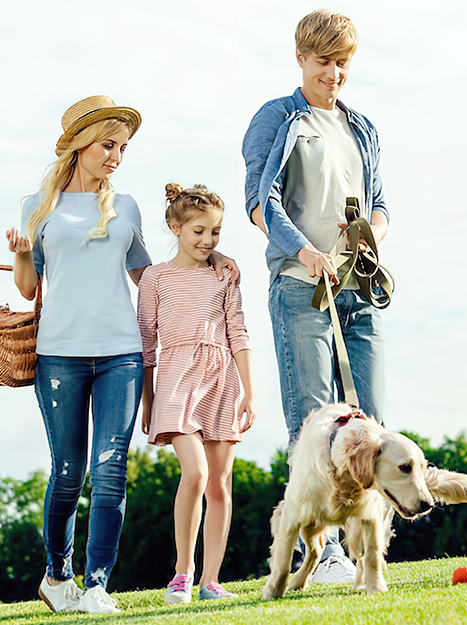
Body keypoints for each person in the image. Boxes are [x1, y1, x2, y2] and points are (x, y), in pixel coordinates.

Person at [5, 97, 237, 614]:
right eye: (108, 145)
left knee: (111, 471)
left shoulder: (126, 206)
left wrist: (204, 264)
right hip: (59, 355)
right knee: (69, 471)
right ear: (79, 146)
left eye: (122, 147)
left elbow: (148, 277)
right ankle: (57, 575)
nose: (116, 155)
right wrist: (23, 252)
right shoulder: (36, 205)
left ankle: (97, 585)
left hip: (121, 354)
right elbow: (27, 288)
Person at [241, 9, 390, 583]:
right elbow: (261, 202)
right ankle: (320, 554)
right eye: (324, 61)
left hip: (358, 289)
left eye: (343, 63)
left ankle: (367, 558)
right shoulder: (277, 118)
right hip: (303, 289)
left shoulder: (363, 127)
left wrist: (371, 235)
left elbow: (380, 200)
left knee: (371, 425)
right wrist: (306, 252)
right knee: (313, 427)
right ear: (300, 58)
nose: (334, 73)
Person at [137, 183, 258, 604]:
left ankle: (210, 581)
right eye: (198, 232)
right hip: (175, 378)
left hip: (221, 378)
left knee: (220, 485)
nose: (208, 241)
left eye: (216, 233)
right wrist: (148, 400)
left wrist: (248, 391)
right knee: (196, 473)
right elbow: (147, 344)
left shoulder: (224, 276)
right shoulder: (154, 278)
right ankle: (181, 574)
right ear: (175, 226)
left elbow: (238, 331)